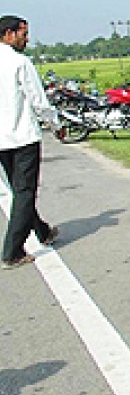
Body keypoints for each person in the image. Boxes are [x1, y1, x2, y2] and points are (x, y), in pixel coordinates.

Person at [0, 15, 61, 269]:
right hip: (22, 137)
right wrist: (56, 125)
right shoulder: (19, 63)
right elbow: (38, 101)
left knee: (19, 190)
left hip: (2, 140)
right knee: (25, 192)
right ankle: (12, 251)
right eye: (23, 34)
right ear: (9, 34)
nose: (27, 39)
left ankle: (42, 231)